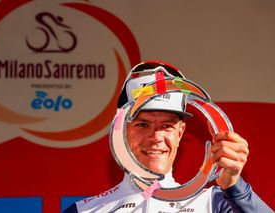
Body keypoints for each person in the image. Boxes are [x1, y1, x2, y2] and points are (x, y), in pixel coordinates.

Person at [63, 61, 273, 213]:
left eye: (167, 126)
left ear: (180, 133)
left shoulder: (212, 203)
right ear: (121, 131)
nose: (155, 137)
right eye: (142, 124)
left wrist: (236, 188)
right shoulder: (84, 210)